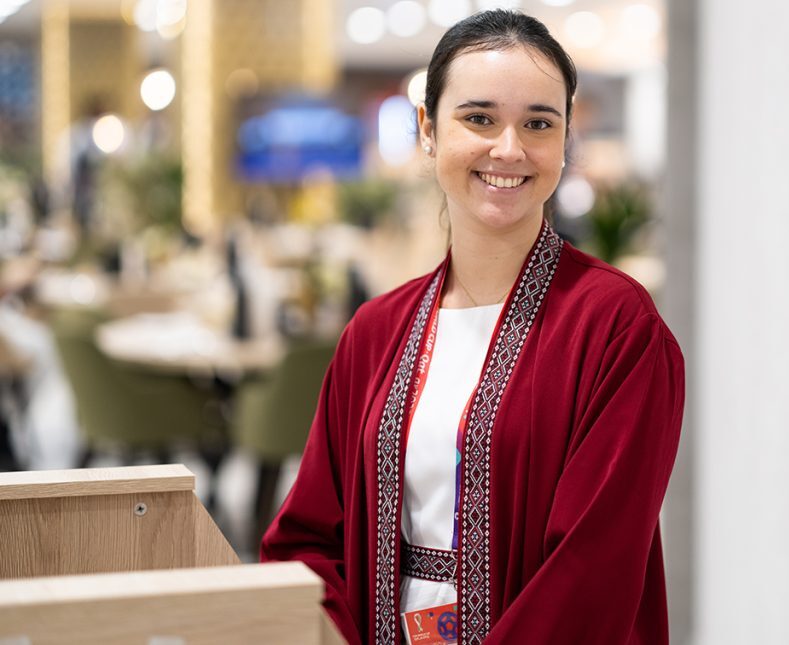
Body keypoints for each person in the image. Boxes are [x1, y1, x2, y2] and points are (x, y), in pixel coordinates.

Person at [261, 9, 685, 644]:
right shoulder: (375, 332)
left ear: (566, 141)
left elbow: (593, 572)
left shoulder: (616, 329)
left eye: (539, 123)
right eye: (479, 118)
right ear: (429, 130)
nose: (509, 149)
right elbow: (308, 540)